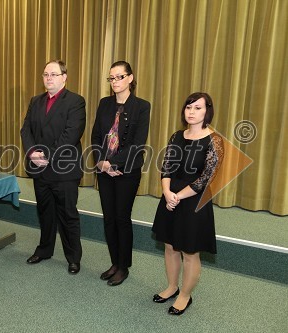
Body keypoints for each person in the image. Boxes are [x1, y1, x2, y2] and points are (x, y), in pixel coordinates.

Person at [151, 92, 224, 315]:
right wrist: (166, 192)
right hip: (170, 196)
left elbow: (205, 178)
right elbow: (167, 166)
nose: (191, 112)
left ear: (207, 111)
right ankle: (172, 287)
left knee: (190, 251)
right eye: (189, 108)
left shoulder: (214, 140)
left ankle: (185, 294)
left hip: (193, 200)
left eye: (198, 108)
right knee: (170, 245)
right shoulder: (176, 136)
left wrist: (177, 196)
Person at [20, 60, 86, 274]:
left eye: (54, 74)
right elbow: (26, 130)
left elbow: (71, 134)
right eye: (46, 74)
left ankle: (73, 257)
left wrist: (45, 155)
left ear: (64, 77)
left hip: (64, 169)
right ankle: (44, 250)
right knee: (45, 212)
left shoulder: (75, 101)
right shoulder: (35, 101)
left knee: (68, 214)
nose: (49, 78)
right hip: (40, 168)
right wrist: (31, 152)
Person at [91, 61, 151, 286]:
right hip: (104, 169)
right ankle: (114, 262)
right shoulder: (104, 104)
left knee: (121, 218)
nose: (115, 82)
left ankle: (124, 266)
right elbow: (96, 136)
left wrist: (113, 163)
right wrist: (101, 162)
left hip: (127, 170)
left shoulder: (142, 106)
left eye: (119, 77)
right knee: (108, 218)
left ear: (130, 78)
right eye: (111, 78)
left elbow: (138, 143)